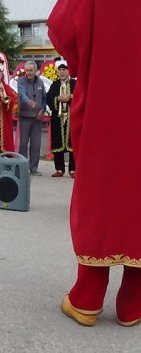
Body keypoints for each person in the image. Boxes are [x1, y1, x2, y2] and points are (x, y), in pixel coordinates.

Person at [49, 0, 141, 327]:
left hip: (107, 97)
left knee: (102, 184)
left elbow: (61, 24)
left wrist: (84, 58)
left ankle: (88, 295)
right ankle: (134, 300)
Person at [45, 57, 76, 178]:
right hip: (57, 118)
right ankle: (59, 169)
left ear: (68, 71)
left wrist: (71, 97)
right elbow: (48, 99)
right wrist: (58, 98)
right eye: (60, 70)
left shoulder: (74, 83)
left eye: (64, 69)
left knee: (73, 142)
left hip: (71, 118)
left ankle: (73, 169)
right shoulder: (54, 85)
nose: (62, 72)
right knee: (57, 142)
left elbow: (81, 96)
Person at [17, 60, 47, 176]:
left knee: (36, 144)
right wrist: (28, 101)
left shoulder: (40, 82)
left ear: (35, 71)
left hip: (37, 117)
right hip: (25, 116)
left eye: (31, 70)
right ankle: (22, 168)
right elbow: (22, 93)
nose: (28, 72)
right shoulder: (21, 81)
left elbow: (44, 98)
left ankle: (33, 168)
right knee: (23, 143)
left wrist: (43, 109)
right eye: (27, 70)